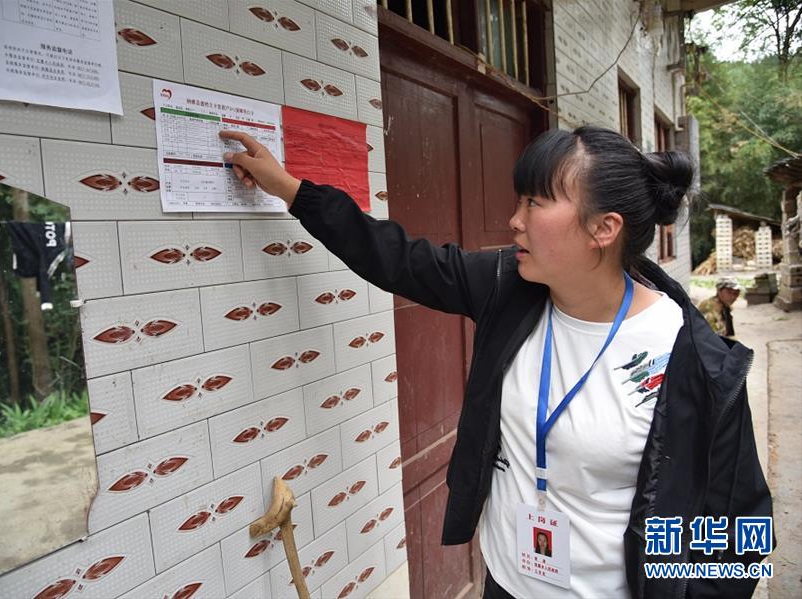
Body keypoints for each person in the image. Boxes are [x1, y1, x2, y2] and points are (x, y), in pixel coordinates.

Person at [219, 126, 771, 599]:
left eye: (535, 203)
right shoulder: (510, 286)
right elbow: (398, 259)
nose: (514, 220)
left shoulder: (696, 362)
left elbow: (743, 534)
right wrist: (291, 191)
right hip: (506, 582)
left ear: (604, 228)